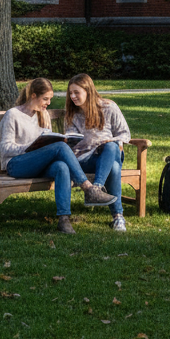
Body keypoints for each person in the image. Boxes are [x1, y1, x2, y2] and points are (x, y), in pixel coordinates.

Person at [0, 77, 117, 234]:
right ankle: (89, 189)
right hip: (16, 165)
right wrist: (31, 148)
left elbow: (48, 139)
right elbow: (5, 148)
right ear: (33, 95)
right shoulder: (12, 115)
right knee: (60, 147)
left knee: (61, 166)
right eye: (45, 99)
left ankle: (64, 220)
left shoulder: (43, 114)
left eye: (50, 99)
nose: (48, 103)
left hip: (40, 164)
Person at [64, 72, 131, 232]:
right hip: (84, 160)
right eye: (70, 93)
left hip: (108, 154)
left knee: (111, 147)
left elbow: (124, 134)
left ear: (88, 91)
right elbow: (70, 138)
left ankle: (96, 189)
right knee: (114, 168)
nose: (73, 96)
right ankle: (118, 217)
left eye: (76, 92)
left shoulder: (109, 107)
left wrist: (112, 141)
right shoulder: (72, 113)